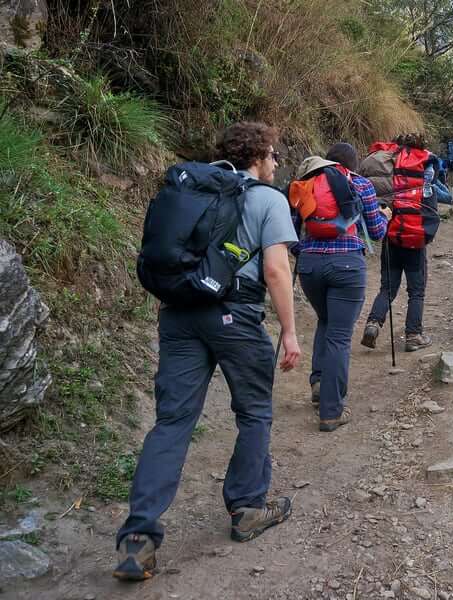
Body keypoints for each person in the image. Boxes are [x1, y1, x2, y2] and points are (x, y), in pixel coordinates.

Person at [114, 122, 300, 580]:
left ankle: (138, 538)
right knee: (255, 412)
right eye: (273, 156)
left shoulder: (196, 189)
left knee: (173, 421)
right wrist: (291, 332)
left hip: (179, 312)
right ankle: (247, 508)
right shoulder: (266, 199)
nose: (276, 164)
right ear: (258, 157)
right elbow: (276, 271)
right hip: (235, 315)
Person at [290, 143, 389, 432]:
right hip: (346, 265)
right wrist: (385, 215)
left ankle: (319, 382)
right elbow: (376, 231)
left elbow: (290, 230)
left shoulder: (306, 181)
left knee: (326, 320)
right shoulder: (360, 185)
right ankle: (331, 411)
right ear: (352, 164)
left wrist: (304, 252)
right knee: (339, 336)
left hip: (309, 266)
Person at [359, 133, 440, 353]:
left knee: (387, 288)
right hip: (415, 238)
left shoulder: (391, 164)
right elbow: (431, 200)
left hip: (392, 234)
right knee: (416, 291)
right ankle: (413, 335)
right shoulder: (426, 166)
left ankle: (373, 324)